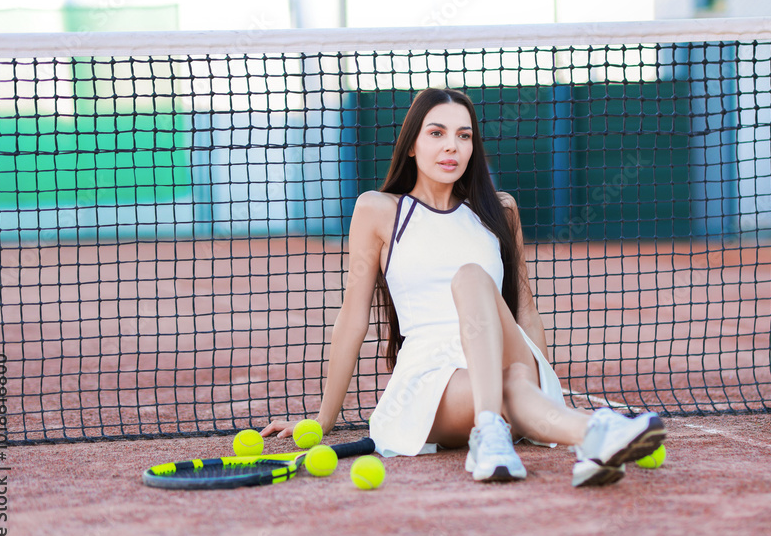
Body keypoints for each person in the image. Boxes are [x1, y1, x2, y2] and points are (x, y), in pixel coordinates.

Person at [262, 87, 665, 486]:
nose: (451, 146)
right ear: (412, 146)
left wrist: (545, 388)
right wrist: (323, 418)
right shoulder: (378, 210)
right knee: (505, 374)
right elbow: (352, 319)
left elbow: (525, 310)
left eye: (464, 135)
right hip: (432, 377)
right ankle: (594, 433)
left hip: (509, 353)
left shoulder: (500, 211)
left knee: (475, 281)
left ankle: (491, 432)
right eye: (436, 133)